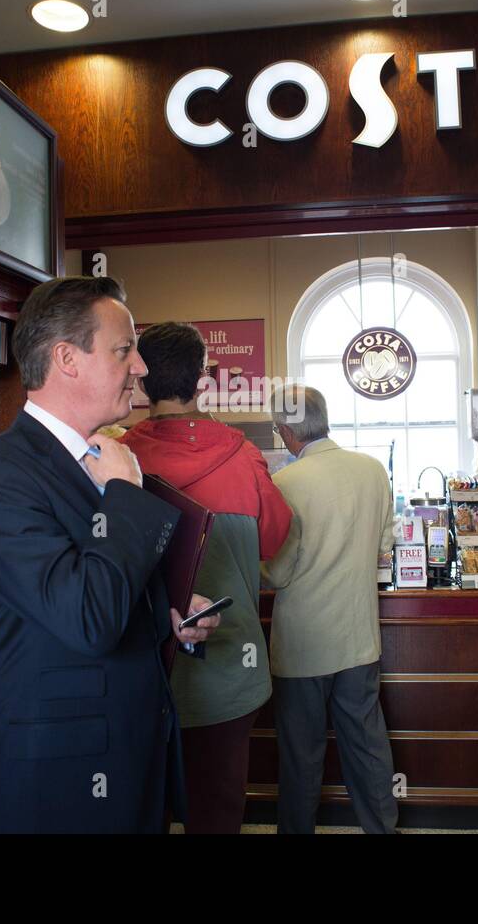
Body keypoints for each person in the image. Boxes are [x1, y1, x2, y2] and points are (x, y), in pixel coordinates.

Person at [0, 276, 221, 834]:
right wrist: (123, 496)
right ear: (67, 359)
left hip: (131, 763)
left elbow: (107, 587)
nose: (141, 367)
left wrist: (168, 614)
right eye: (125, 350)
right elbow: (87, 618)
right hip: (57, 789)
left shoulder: (105, 459)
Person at [123, 322, 293, 834]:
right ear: (203, 380)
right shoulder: (243, 456)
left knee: (140, 808)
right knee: (217, 812)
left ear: (140, 379)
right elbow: (274, 538)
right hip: (229, 676)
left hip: (143, 673)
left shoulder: (118, 459)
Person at [261, 385, 397, 834]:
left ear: (284, 431)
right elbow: (384, 549)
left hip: (303, 646)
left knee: (301, 758)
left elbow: (277, 574)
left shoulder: (284, 483)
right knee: (368, 748)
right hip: (359, 641)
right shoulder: (373, 470)